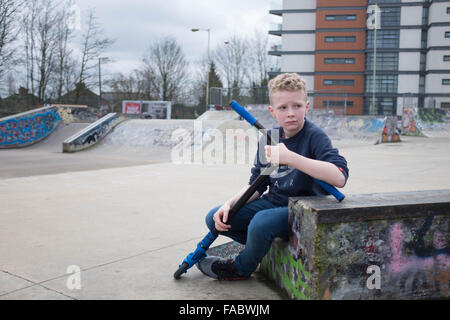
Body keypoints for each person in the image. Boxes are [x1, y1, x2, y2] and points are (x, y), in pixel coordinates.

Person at [197, 73, 349, 280]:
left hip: (304, 209)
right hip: (273, 202)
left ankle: (240, 268)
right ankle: (258, 246)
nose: (291, 113)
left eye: (297, 106)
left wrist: (291, 158)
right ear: (272, 112)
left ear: (307, 106)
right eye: (283, 108)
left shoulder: (314, 136)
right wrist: (229, 204)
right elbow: (256, 186)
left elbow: (339, 177)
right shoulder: (270, 138)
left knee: (261, 222)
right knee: (216, 217)